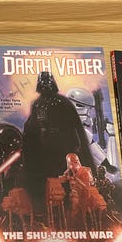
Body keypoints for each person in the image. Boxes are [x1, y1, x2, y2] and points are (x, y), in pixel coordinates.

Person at [22, 72, 94, 202]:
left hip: (61, 144)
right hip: (43, 145)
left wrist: (74, 145)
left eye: (47, 83)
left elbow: (73, 124)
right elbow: (32, 125)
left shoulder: (62, 102)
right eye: (43, 83)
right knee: (46, 174)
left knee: (64, 173)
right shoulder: (37, 104)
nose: (45, 86)